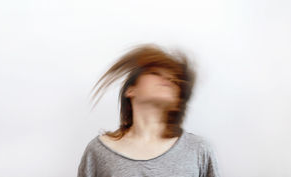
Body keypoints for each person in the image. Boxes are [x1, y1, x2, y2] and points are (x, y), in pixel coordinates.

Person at [77, 43, 221, 177]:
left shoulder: (198, 149)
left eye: (174, 80)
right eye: (155, 73)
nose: (166, 79)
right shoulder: (98, 151)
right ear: (130, 90)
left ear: (178, 101)